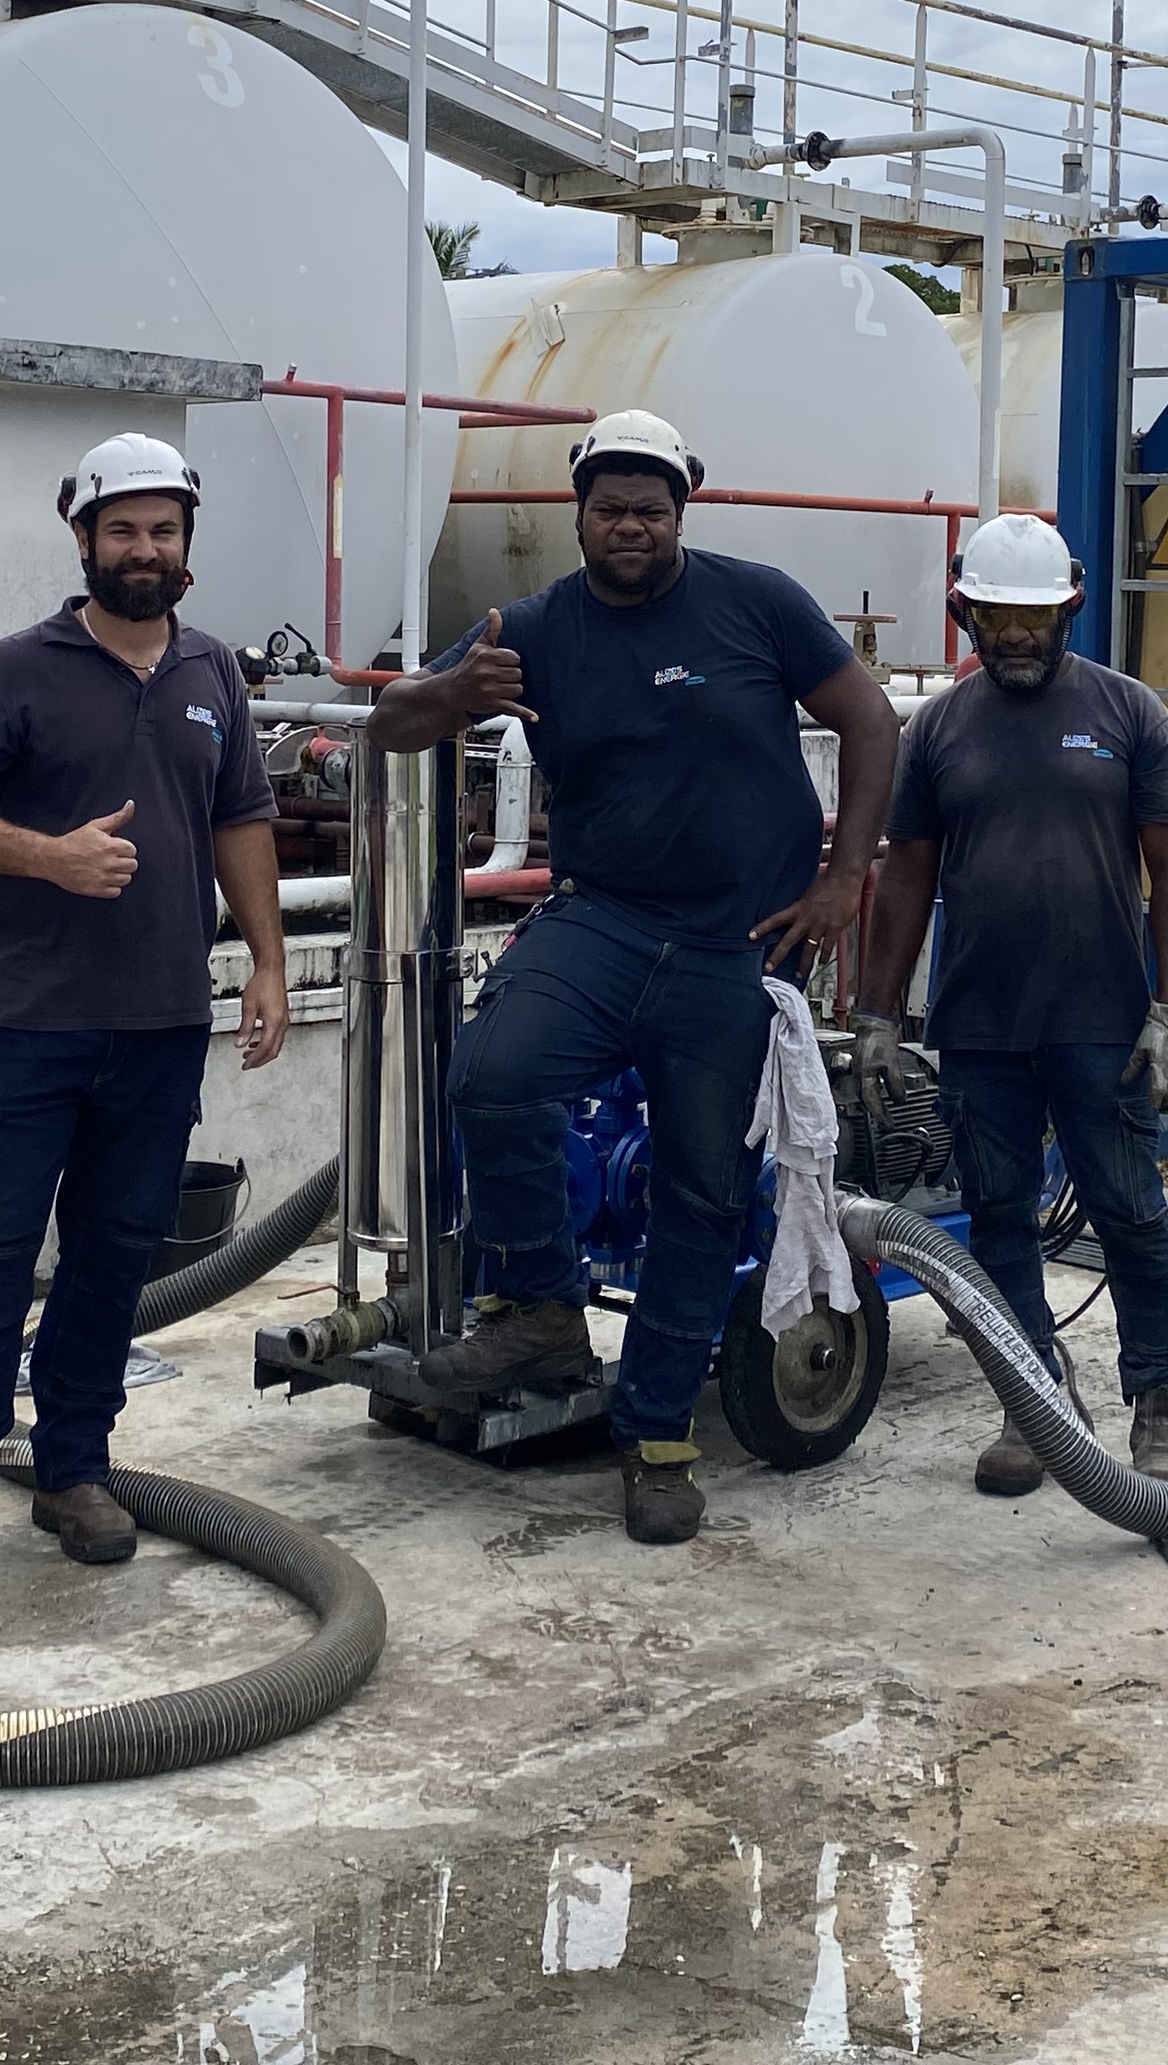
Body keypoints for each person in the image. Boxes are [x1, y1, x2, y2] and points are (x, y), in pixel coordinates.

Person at [371, 407, 901, 1547]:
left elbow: (868, 717)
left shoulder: (755, 601)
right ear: (577, 515)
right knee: (494, 1078)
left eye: (649, 510)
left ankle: (658, 1443)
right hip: (601, 921)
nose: (629, 526)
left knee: (701, 1195)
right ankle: (544, 1310)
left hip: (735, 945)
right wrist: (455, 695)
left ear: (680, 515)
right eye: (609, 507)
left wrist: (843, 876)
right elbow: (391, 726)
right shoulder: (536, 626)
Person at [0, 433, 290, 1605]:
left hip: (162, 1023)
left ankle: (74, 1467)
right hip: (32, 1024)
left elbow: (242, 823)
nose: (144, 550)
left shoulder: (213, 672)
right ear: (83, 540)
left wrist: (265, 962)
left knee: (112, 1264)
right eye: (123, 530)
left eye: (164, 531)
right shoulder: (16, 671)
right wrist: (42, 856)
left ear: (186, 547)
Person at [856, 510, 1168, 1496]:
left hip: (1102, 1020)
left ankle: (1160, 1406)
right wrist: (879, 1015)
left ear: (1072, 608)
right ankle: (1033, 1399)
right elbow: (909, 879)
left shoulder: (1130, 714)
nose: (1015, 635)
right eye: (997, 616)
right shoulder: (937, 730)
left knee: (1130, 1212)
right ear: (967, 610)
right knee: (999, 1215)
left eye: (1035, 617)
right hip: (980, 1026)